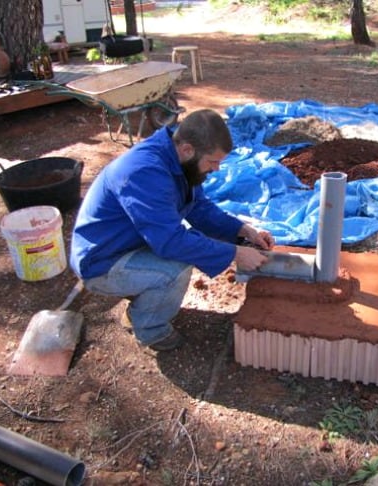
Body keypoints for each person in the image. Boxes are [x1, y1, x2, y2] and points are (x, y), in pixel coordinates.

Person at [70, 109, 274, 351]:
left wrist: (242, 231)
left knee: (186, 249)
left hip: (128, 242)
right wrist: (235, 254)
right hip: (101, 261)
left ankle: (141, 302)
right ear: (188, 149)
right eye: (212, 162)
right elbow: (170, 242)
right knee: (175, 270)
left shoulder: (177, 159)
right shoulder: (144, 173)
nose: (217, 169)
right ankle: (149, 329)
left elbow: (198, 207)